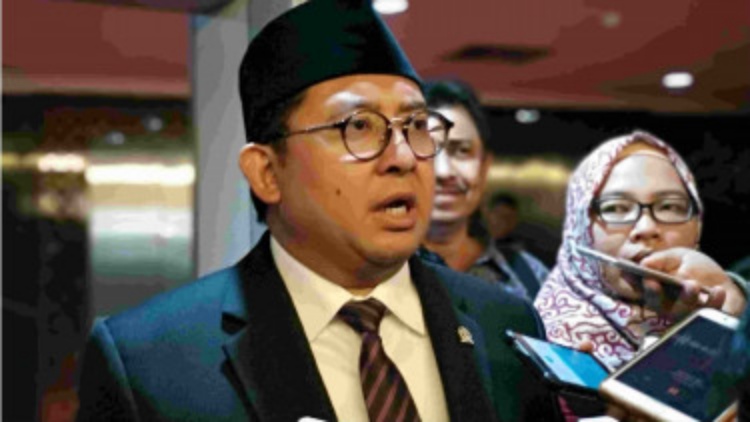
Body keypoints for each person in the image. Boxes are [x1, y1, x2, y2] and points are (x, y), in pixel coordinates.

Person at [75, 1, 558, 421]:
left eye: (416, 125)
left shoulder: (506, 324)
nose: (403, 157)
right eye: (359, 126)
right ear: (267, 172)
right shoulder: (150, 360)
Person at [534, 130, 747, 371]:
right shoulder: (539, 338)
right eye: (616, 207)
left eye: (670, 206)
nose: (646, 228)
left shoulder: (722, 308)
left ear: (697, 224)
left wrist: (740, 313)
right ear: (579, 226)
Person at [420, 79, 549, 302]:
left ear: (484, 166)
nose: (443, 171)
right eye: (426, 151)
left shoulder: (529, 277)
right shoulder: (369, 275)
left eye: (462, 151)